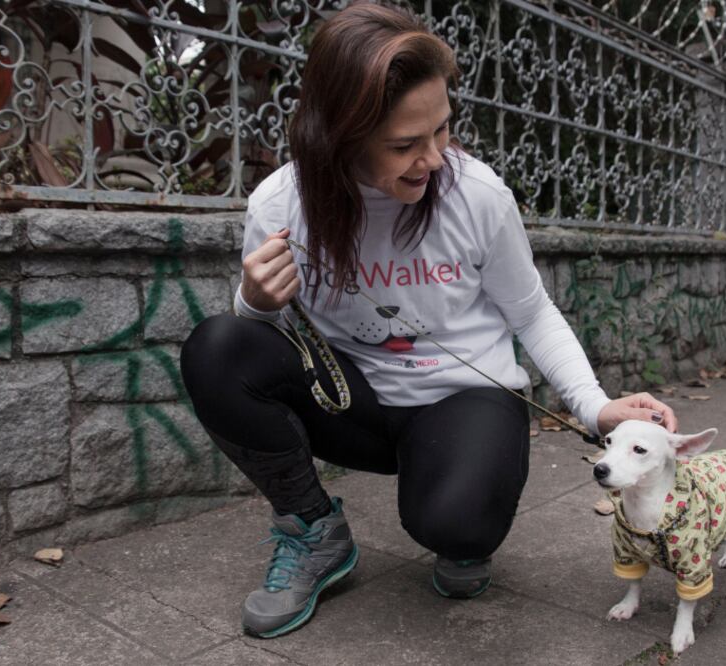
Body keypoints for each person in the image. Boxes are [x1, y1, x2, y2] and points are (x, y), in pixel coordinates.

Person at [178, 1, 677, 639]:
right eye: (405, 144)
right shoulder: (281, 203)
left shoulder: (477, 194)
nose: (434, 158)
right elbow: (262, 354)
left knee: (458, 529)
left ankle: (457, 507)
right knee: (217, 346)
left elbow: (532, 312)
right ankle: (312, 531)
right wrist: (256, 303)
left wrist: (597, 408)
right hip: (354, 404)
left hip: (465, 402)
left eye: (442, 130)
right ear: (341, 134)